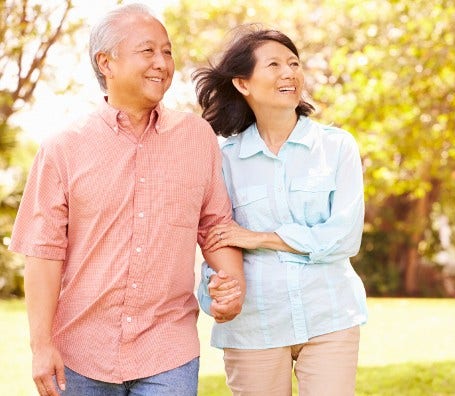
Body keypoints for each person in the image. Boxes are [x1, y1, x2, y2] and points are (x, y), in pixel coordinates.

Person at [9, 4, 245, 395]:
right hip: (80, 353)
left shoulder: (197, 138)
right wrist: (41, 346)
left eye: (167, 51)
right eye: (147, 51)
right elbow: (42, 251)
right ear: (107, 63)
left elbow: (215, 226)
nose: (162, 63)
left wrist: (231, 286)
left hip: (168, 349)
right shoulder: (62, 148)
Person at [192, 25, 368, 395]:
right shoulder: (222, 160)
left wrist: (260, 238)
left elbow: (344, 236)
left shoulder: (336, 147)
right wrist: (217, 297)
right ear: (243, 83)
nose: (289, 73)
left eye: (294, 63)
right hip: (254, 325)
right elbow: (215, 241)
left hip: (329, 317)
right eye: (274, 65)